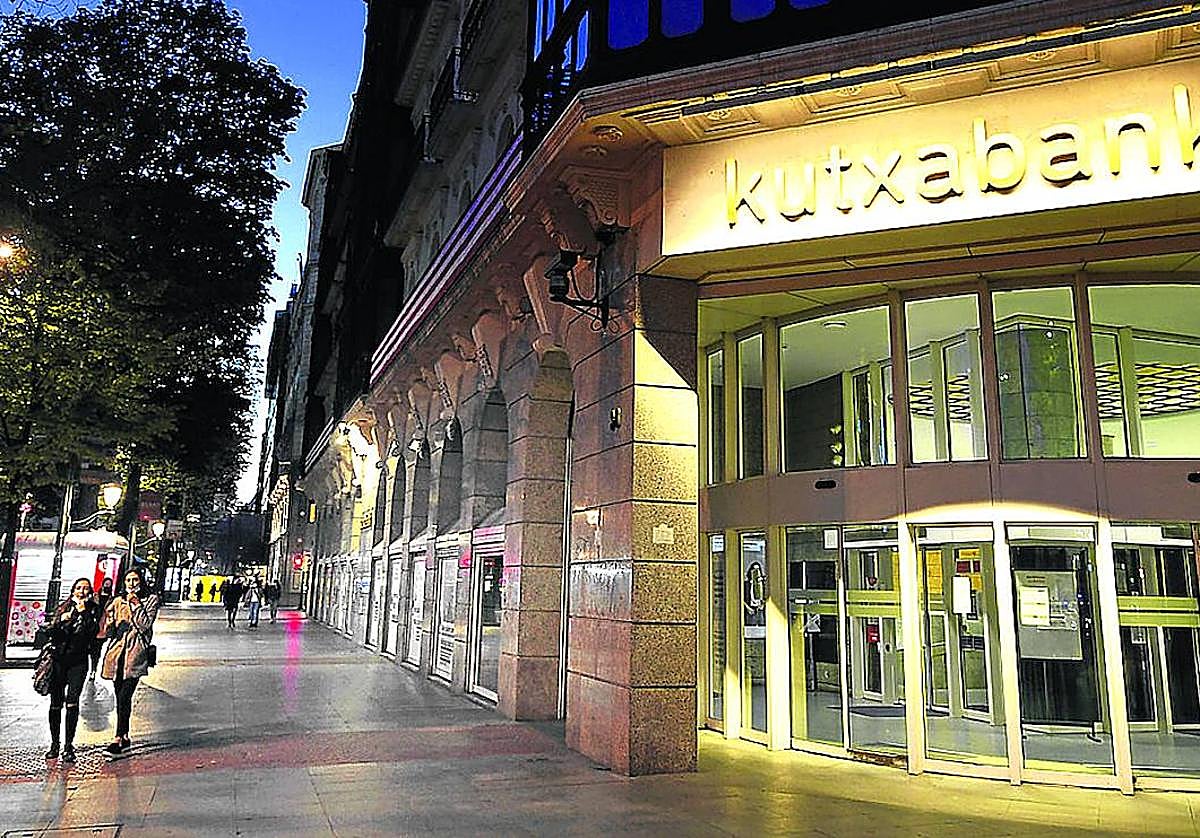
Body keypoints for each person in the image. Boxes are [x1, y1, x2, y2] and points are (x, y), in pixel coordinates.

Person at [101, 568, 160, 755]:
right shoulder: (118, 601)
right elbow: (107, 631)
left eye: (135, 580)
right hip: (117, 654)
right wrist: (109, 622)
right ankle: (125, 735)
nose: (132, 584)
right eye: (128, 580)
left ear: (141, 582)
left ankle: (118, 738)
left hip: (135, 654)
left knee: (125, 696)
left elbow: (144, 625)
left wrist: (135, 604)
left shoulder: (150, 600)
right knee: (120, 697)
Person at [42, 578, 101, 763]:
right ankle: (54, 744)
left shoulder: (93, 610)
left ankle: (68, 745)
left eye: (85, 588)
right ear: (73, 590)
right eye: (78, 588)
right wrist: (60, 621)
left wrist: (84, 615)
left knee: (72, 702)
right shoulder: (63, 607)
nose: (81, 591)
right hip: (59, 660)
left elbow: (94, 634)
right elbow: (50, 632)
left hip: (78, 661)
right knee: (55, 703)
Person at [88, 578, 114, 681]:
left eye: (109, 584)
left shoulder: (112, 599)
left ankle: (93, 670)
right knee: (89, 649)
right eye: (106, 584)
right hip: (91, 626)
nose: (107, 586)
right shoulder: (95, 597)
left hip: (102, 627)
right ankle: (91, 668)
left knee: (96, 650)